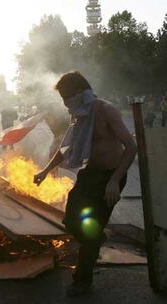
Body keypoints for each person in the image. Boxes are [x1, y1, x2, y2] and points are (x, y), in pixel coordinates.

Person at [34, 72, 137, 297]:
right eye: (62, 99)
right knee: (71, 220)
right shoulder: (79, 115)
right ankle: (96, 238)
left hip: (110, 177)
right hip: (90, 175)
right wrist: (44, 171)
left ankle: (82, 280)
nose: (65, 103)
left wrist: (114, 181)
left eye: (67, 97)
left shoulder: (105, 110)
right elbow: (66, 149)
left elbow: (130, 147)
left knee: (90, 229)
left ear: (80, 92)